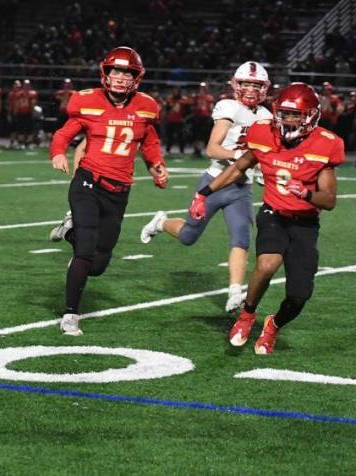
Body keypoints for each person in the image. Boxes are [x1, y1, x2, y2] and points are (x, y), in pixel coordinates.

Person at [191, 83, 344, 354]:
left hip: (305, 222)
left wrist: (306, 194)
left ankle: (273, 325)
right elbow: (240, 167)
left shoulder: (326, 143)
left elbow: (329, 200)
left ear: (310, 116)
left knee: (299, 295)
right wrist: (204, 193)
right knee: (267, 264)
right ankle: (247, 315)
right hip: (273, 213)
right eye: (284, 113)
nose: (288, 120)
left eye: (295, 115)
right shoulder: (263, 133)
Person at [49, 46, 168, 336]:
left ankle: (69, 232)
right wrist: (58, 152)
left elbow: (149, 140)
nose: (120, 78)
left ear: (136, 78)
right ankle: (71, 314)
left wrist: (156, 165)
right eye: (115, 71)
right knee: (87, 250)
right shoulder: (87, 101)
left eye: (127, 73)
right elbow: (63, 133)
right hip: (88, 181)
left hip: (119, 189)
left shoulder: (145, 107)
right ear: (105, 73)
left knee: (99, 262)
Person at [140, 62, 271, 313]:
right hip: (214, 183)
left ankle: (235, 291)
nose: (252, 90)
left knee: (241, 238)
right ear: (236, 85)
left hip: (241, 188)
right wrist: (240, 157)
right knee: (189, 236)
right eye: (247, 84)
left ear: (264, 88)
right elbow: (213, 148)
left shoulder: (266, 116)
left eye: (257, 85)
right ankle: (160, 223)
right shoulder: (228, 107)